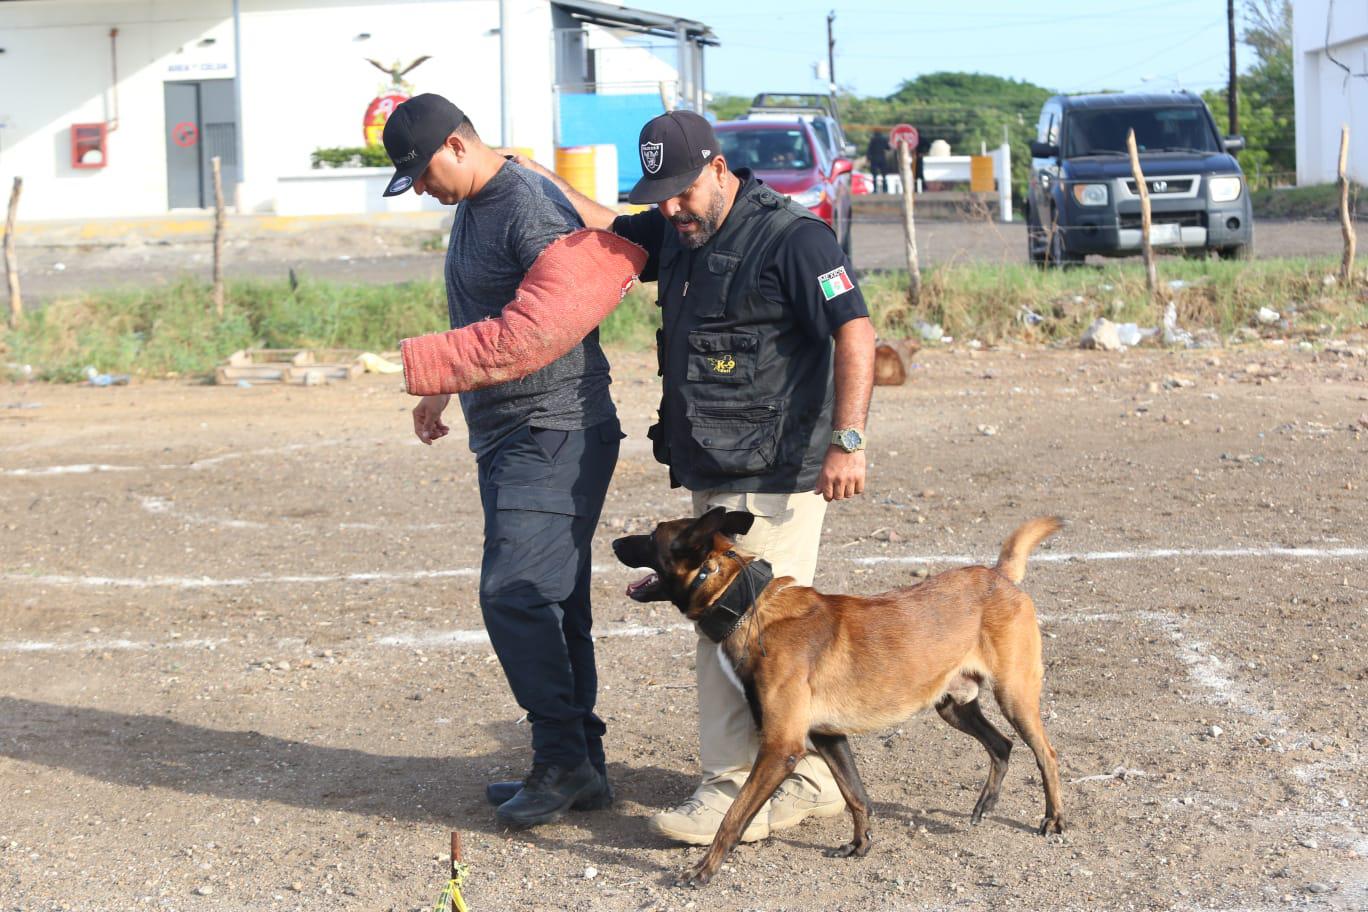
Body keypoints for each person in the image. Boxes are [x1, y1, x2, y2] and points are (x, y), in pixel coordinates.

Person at [513, 110, 876, 846]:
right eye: (660, 194)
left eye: (680, 191)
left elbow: (856, 330)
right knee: (764, 637)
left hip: (774, 477)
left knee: (728, 630)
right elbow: (610, 222)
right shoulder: (676, 231)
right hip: (717, 469)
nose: (669, 208)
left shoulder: (794, 238)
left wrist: (849, 441)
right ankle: (805, 780)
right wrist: (527, 173)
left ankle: (727, 792)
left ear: (718, 168)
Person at [379, 93, 620, 829]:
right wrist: (444, 394)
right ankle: (581, 766)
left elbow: (543, 325)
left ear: (457, 145)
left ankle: (563, 762)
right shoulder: (477, 202)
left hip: (554, 428)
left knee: (515, 593)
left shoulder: (526, 205)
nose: (420, 188)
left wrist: (427, 366)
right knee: (552, 598)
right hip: (516, 429)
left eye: (422, 173)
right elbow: (483, 315)